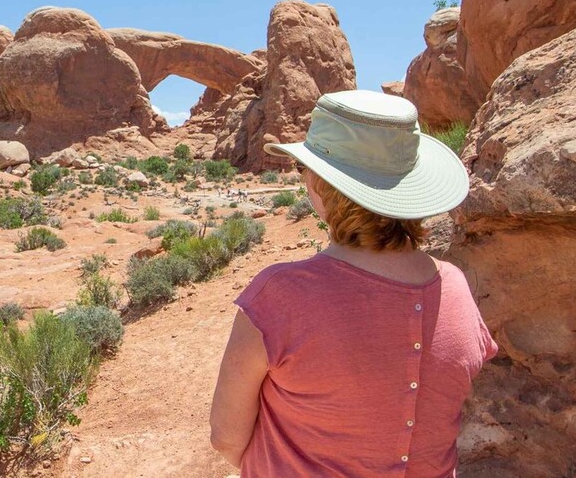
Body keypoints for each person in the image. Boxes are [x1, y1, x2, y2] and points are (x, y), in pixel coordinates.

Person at [210, 90, 497, 477]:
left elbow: (227, 438)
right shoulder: (455, 286)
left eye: (304, 169)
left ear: (320, 186)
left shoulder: (281, 294)